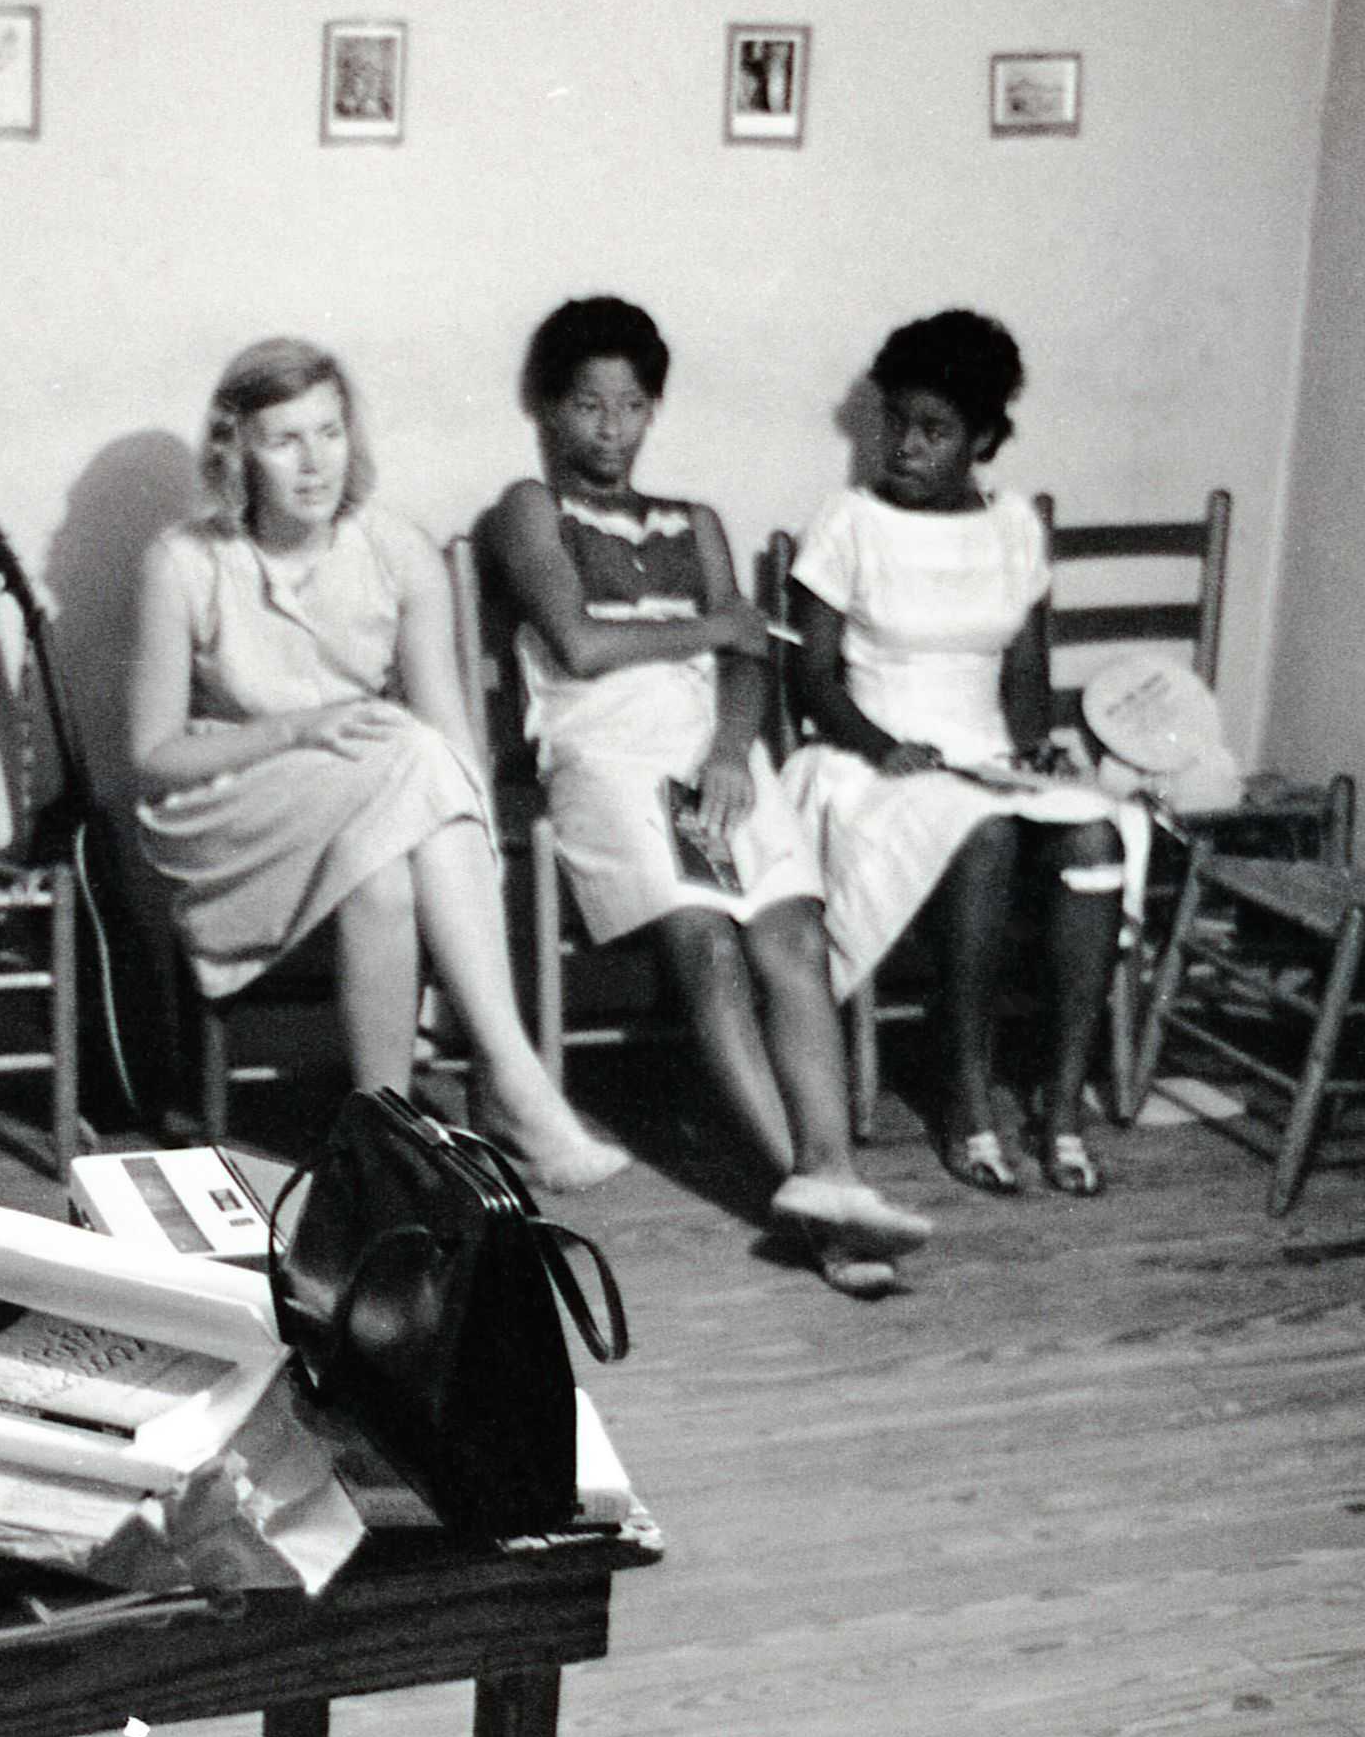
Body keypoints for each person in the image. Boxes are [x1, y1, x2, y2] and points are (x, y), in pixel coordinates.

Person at [479, 297, 932, 1294]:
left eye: (630, 406)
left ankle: (832, 1176)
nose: (609, 429)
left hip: (706, 752)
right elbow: (580, 646)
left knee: (791, 936)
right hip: (604, 753)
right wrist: (718, 624)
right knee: (704, 941)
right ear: (550, 410)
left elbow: (748, 666)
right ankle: (813, 1211)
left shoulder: (696, 522)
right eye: (588, 406)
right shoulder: (527, 509)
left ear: (652, 411)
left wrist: (732, 750)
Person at [124, 335, 625, 1190]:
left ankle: (382, 1141)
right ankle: (513, 1077)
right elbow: (152, 759)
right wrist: (303, 728)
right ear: (236, 449)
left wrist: (461, 845)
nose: (315, 464)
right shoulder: (184, 562)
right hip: (226, 813)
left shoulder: (397, 551)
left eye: (330, 432)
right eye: (284, 440)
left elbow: (450, 744)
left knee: (389, 871)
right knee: (407, 752)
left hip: (370, 801)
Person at [781, 309, 1134, 1198]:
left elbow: (1026, 676)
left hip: (986, 761)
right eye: (897, 421)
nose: (905, 445)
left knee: (1094, 835)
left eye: (933, 430)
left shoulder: (1015, 526)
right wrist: (884, 745)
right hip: (870, 761)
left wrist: (1032, 756)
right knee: (981, 833)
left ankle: (1060, 1108)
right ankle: (967, 1093)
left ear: (983, 438)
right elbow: (812, 682)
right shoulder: (848, 520)